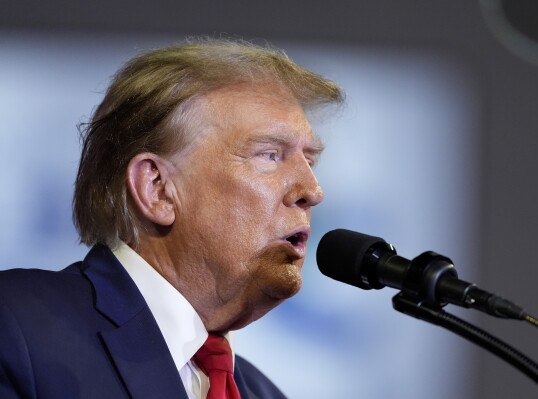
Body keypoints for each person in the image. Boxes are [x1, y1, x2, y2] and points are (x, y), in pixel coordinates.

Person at [0, 37, 343, 399]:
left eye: (310, 161)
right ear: (158, 188)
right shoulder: (18, 325)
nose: (313, 191)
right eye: (270, 155)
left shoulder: (264, 393)